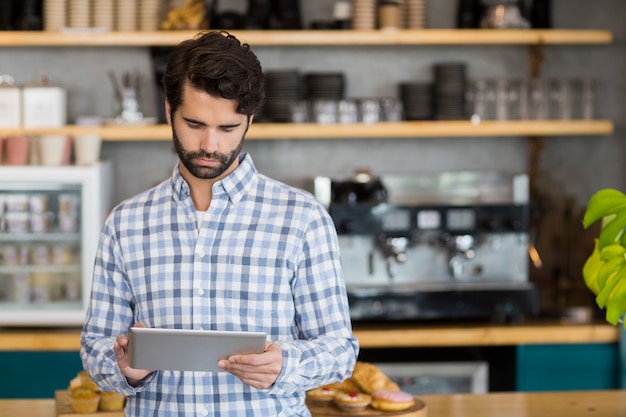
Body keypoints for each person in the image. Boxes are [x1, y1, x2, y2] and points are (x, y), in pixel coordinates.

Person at [80, 30, 359, 416]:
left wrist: (285, 365)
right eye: (194, 124)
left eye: (228, 128)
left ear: (249, 120)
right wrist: (125, 369)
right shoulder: (125, 223)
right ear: (168, 111)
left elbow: (339, 351)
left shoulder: (302, 218)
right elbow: (95, 345)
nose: (210, 145)